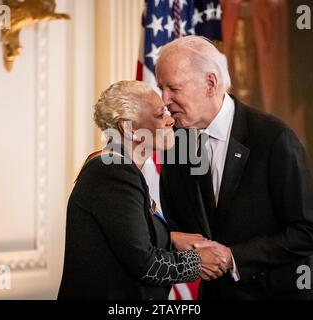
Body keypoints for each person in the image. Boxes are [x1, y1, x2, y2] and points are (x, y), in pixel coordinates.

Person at [157, 36, 313, 299]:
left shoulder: (273, 138)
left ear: (210, 83)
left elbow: (309, 232)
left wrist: (233, 257)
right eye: (161, 89)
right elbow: (178, 226)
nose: (164, 100)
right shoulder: (177, 144)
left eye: (173, 88)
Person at [58, 80, 229, 300]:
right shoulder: (114, 172)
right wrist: (198, 262)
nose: (170, 119)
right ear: (128, 128)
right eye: (160, 115)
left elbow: (127, 239)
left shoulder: (117, 169)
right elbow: (145, 264)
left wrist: (170, 238)